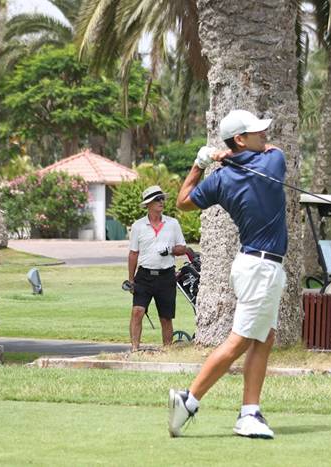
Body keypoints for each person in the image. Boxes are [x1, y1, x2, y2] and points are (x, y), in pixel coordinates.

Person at [169, 109, 287, 439]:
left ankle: (250, 412)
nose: (264, 135)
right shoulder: (272, 163)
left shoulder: (219, 179)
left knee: (264, 337)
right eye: (256, 132)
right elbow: (274, 150)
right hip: (260, 268)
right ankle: (188, 400)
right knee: (240, 341)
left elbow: (183, 201)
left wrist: (201, 163)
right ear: (240, 139)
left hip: (258, 265)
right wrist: (228, 157)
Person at [127, 185, 188, 351]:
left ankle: (167, 350)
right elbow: (133, 254)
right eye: (157, 199)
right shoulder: (138, 226)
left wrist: (170, 249)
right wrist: (131, 280)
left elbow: (183, 248)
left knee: (166, 317)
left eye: (162, 198)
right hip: (144, 276)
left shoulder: (172, 224)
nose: (161, 202)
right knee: (137, 311)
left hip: (166, 276)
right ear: (148, 204)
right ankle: (135, 349)